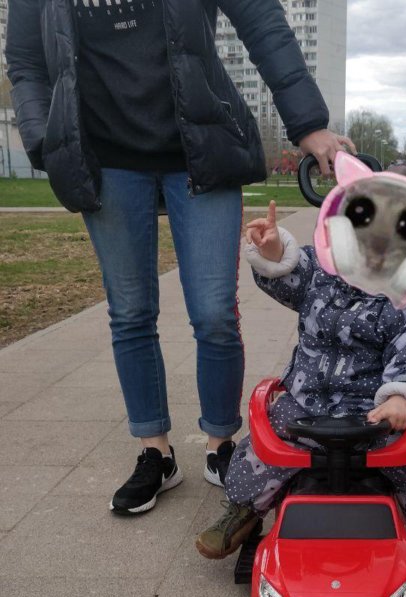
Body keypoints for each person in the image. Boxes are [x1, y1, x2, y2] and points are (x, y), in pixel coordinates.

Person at [6, 0, 354, 515]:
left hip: (202, 147)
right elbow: (27, 60)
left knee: (214, 312)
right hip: (105, 159)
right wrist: (44, 139)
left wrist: (307, 123)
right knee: (130, 312)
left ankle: (220, 442)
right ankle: (156, 452)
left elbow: (261, 22)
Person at [195, 174, 406, 587]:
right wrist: (275, 251)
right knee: (260, 449)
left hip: (372, 408)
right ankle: (242, 511)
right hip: (306, 399)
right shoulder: (321, 273)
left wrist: (400, 397)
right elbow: (289, 277)